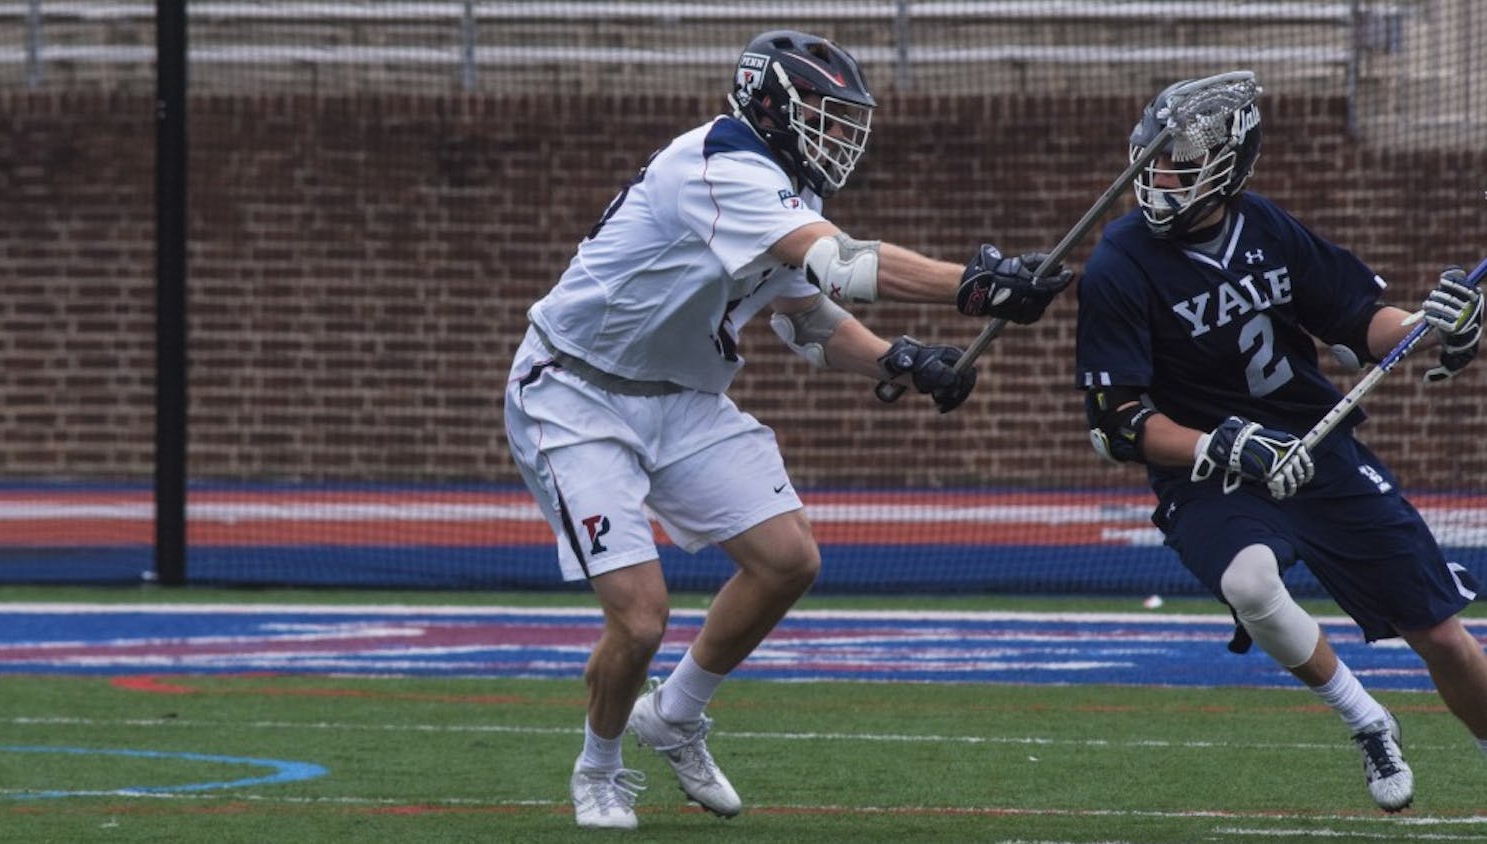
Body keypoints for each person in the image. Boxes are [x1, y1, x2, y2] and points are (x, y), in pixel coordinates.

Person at [503, 29, 1071, 830]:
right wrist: (975, 284)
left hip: (680, 398)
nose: (840, 136)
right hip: (575, 393)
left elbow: (804, 316)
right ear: (771, 105)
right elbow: (843, 265)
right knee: (638, 618)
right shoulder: (721, 165)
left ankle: (674, 715)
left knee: (787, 559)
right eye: (825, 116)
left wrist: (899, 363)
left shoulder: (783, 194)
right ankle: (598, 768)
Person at [1073, 75, 1487, 813]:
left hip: (1314, 445)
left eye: (1177, 162)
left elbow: (1362, 320)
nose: (1155, 176)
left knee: (1444, 636)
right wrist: (1224, 448)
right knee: (1251, 584)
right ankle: (1368, 719)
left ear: (1226, 167)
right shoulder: (1117, 265)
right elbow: (1119, 425)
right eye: (1154, 158)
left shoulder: (1266, 228)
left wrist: (1430, 321)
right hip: (1207, 468)